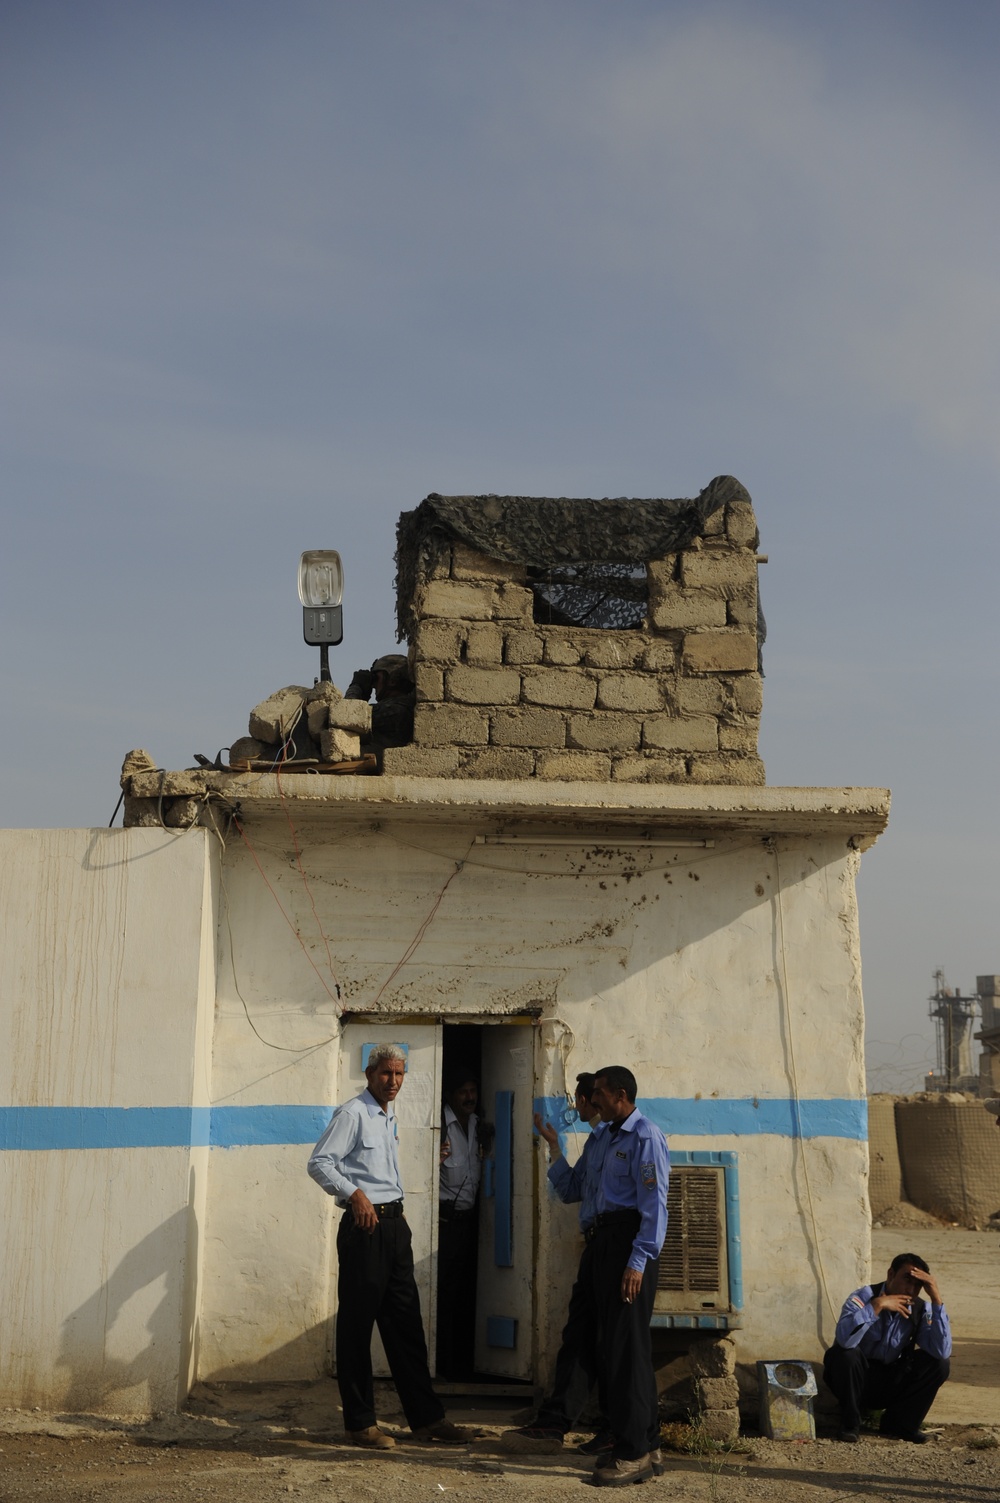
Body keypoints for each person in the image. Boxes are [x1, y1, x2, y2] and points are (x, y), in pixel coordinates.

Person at [308, 1043, 474, 1449]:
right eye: (386, 1074)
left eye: (399, 1074)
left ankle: (427, 1420)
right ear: (369, 1074)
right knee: (356, 1327)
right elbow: (320, 1162)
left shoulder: (387, 1115)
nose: (393, 1082)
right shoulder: (353, 1113)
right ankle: (360, 1424)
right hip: (364, 1230)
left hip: (394, 1228)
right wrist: (355, 1195)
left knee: (406, 1326)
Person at [501, 1073, 612, 1455]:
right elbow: (571, 1190)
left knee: (610, 1341)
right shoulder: (598, 1142)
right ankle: (554, 1423)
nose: (576, 1108)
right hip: (594, 1249)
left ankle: (618, 1429)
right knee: (579, 1336)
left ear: (587, 1101)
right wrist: (553, 1148)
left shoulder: (626, 1137)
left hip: (616, 1248)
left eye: (579, 1100)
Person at [585, 1065, 670, 1487]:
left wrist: (637, 1261)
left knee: (625, 1350)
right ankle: (647, 1443)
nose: (592, 1099)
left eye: (598, 1092)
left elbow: (654, 1207)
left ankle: (632, 1451)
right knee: (622, 1348)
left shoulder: (645, 1136)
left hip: (629, 1244)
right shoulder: (608, 1136)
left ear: (620, 1094)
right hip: (607, 1241)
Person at [823, 1252, 952, 1443]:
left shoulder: (920, 1308)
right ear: (891, 1274)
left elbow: (941, 1351)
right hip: (855, 1378)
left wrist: (936, 1299)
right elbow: (845, 1341)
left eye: (918, 1285)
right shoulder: (863, 1297)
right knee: (844, 1355)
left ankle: (900, 1425)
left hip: (889, 1379)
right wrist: (877, 1305)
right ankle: (850, 1424)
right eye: (907, 1280)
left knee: (939, 1364)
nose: (911, 1289)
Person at [436, 1066, 483, 1379]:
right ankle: (441, 1363)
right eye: (463, 1091)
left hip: (471, 1223)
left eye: (473, 1091)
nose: (469, 1097)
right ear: (451, 1096)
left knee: (468, 1294)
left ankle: (463, 1365)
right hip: (444, 1223)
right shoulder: (439, 1127)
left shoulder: (480, 1126)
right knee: (443, 1296)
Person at [345, 654, 416, 765]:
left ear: (393, 679)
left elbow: (345, 717)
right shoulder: (401, 707)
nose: (373, 685)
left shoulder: (397, 710)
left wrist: (357, 687)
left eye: (376, 677)